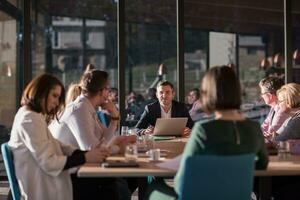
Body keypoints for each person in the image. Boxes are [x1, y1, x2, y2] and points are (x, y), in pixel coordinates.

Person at [145, 66, 268, 198]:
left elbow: (182, 182)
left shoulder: (203, 130)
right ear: (238, 92)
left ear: (207, 95)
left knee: (153, 187)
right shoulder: (254, 128)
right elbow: (262, 165)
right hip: (238, 195)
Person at [8, 74, 110, 200]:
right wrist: (85, 157)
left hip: (46, 179)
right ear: (40, 92)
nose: (57, 103)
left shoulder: (32, 115)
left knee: (107, 183)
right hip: (44, 187)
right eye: (54, 96)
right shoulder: (29, 119)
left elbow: (58, 145)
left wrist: (86, 154)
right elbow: (48, 162)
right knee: (107, 185)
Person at [49, 70, 136, 199]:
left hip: (81, 168)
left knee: (130, 177)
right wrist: (118, 146)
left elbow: (103, 141)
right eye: (108, 89)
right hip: (67, 176)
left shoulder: (88, 108)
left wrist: (114, 117)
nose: (110, 94)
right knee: (119, 185)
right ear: (102, 91)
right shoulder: (79, 110)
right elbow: (92, 150)